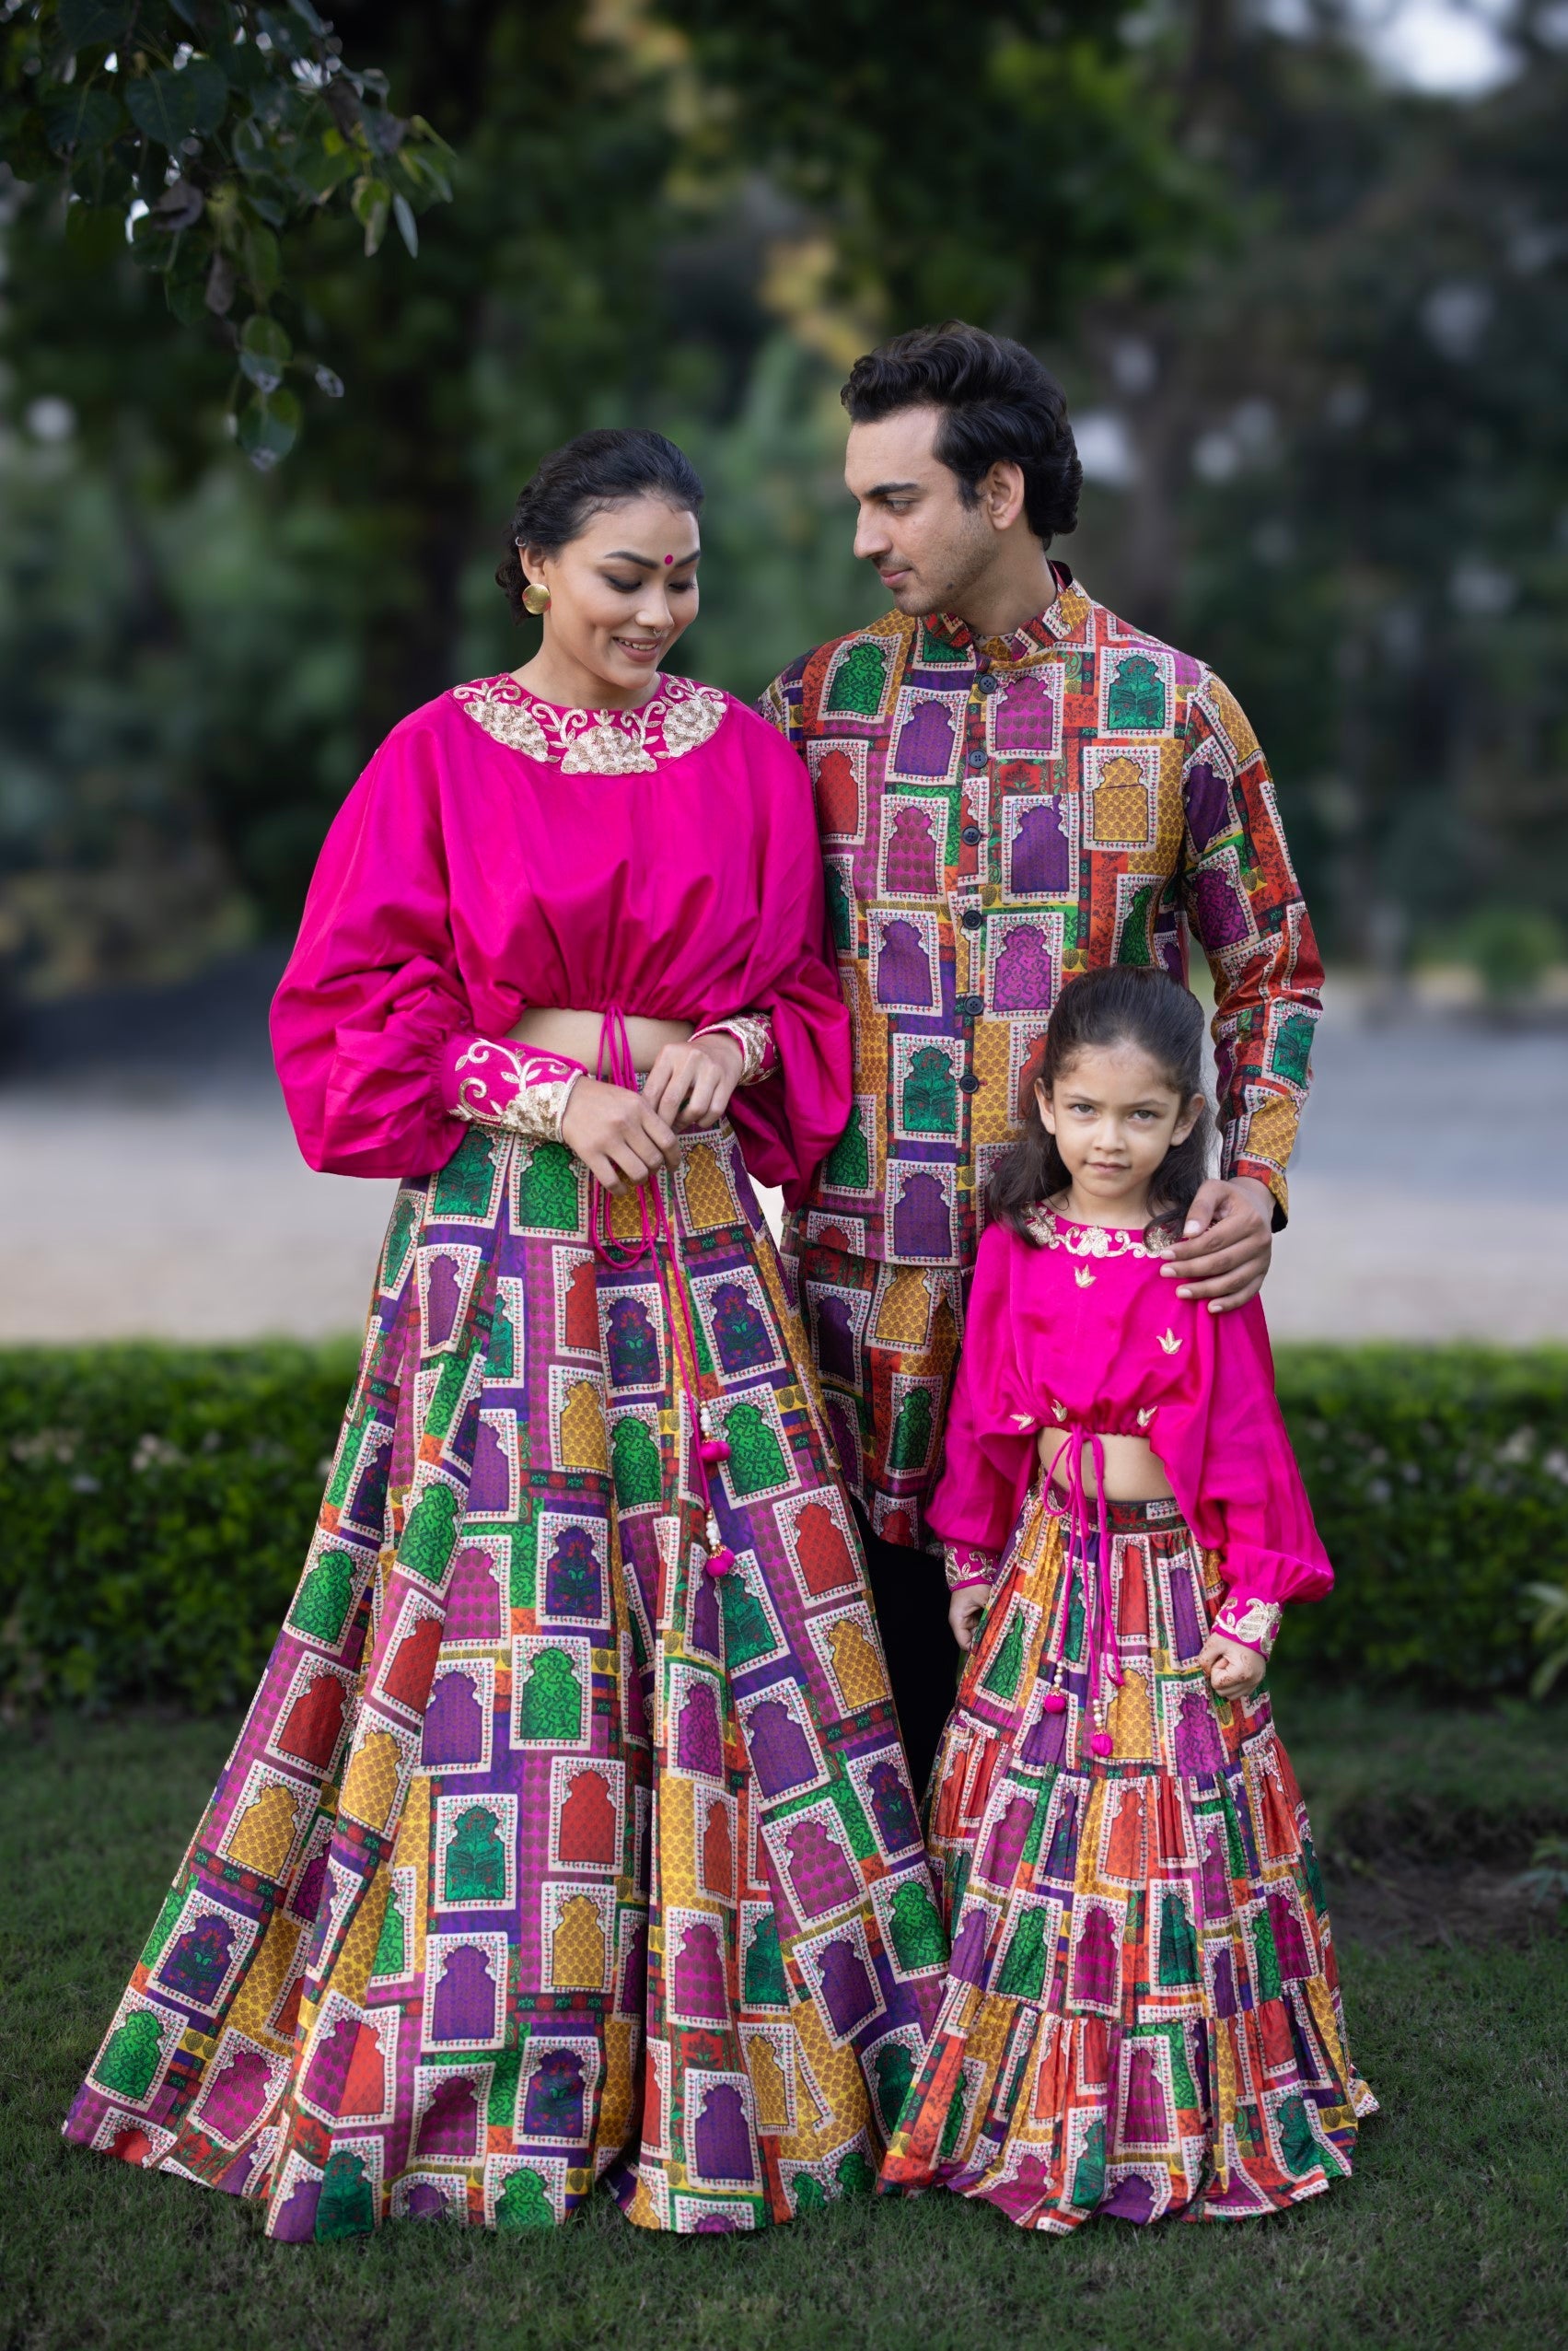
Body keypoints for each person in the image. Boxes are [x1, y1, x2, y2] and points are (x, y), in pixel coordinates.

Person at [63, 428, 945, 2240]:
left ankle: (773, 2057)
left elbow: (801, 991)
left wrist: (729, 1051)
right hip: (512, 1247)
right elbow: (350, 1016)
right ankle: (486, 2041)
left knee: (729, 1609)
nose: (660, 610)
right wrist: (538, 1075)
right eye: (625, 574)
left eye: (684, 576)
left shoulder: (752, 760)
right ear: (533, 566)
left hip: (700, 1252)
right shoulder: (434, 757)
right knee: (511, 1620)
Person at [761, 323, 1324, 1788]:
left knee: (1071, 1738)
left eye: (896, 499)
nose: (865, 533)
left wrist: (1254, 1181)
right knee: (858, 1700)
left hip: (1093, 1324)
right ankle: (879, 2007)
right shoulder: (814, 707)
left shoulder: (1173, 709)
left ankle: (1060, 2001)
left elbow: (1272, 963)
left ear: (998, 490)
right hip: (851, 1296)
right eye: (858, 500)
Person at [879, 964, 1376, 2227]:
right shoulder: (1015, 1247)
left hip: (1166, 1582)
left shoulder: (1200, 1257)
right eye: (1089, 1109)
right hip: (1051, 1574)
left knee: (1172, 1840)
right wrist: (974, 1562)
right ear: (1046, 1103)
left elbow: (1249, 1438)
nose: (1112, 1139)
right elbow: (986, 1423)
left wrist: (1251, 1603)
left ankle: (1183, 2096)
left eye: (1143, 1116)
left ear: (1186, 1118)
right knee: (1034, 1836)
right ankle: (1018, 2087)